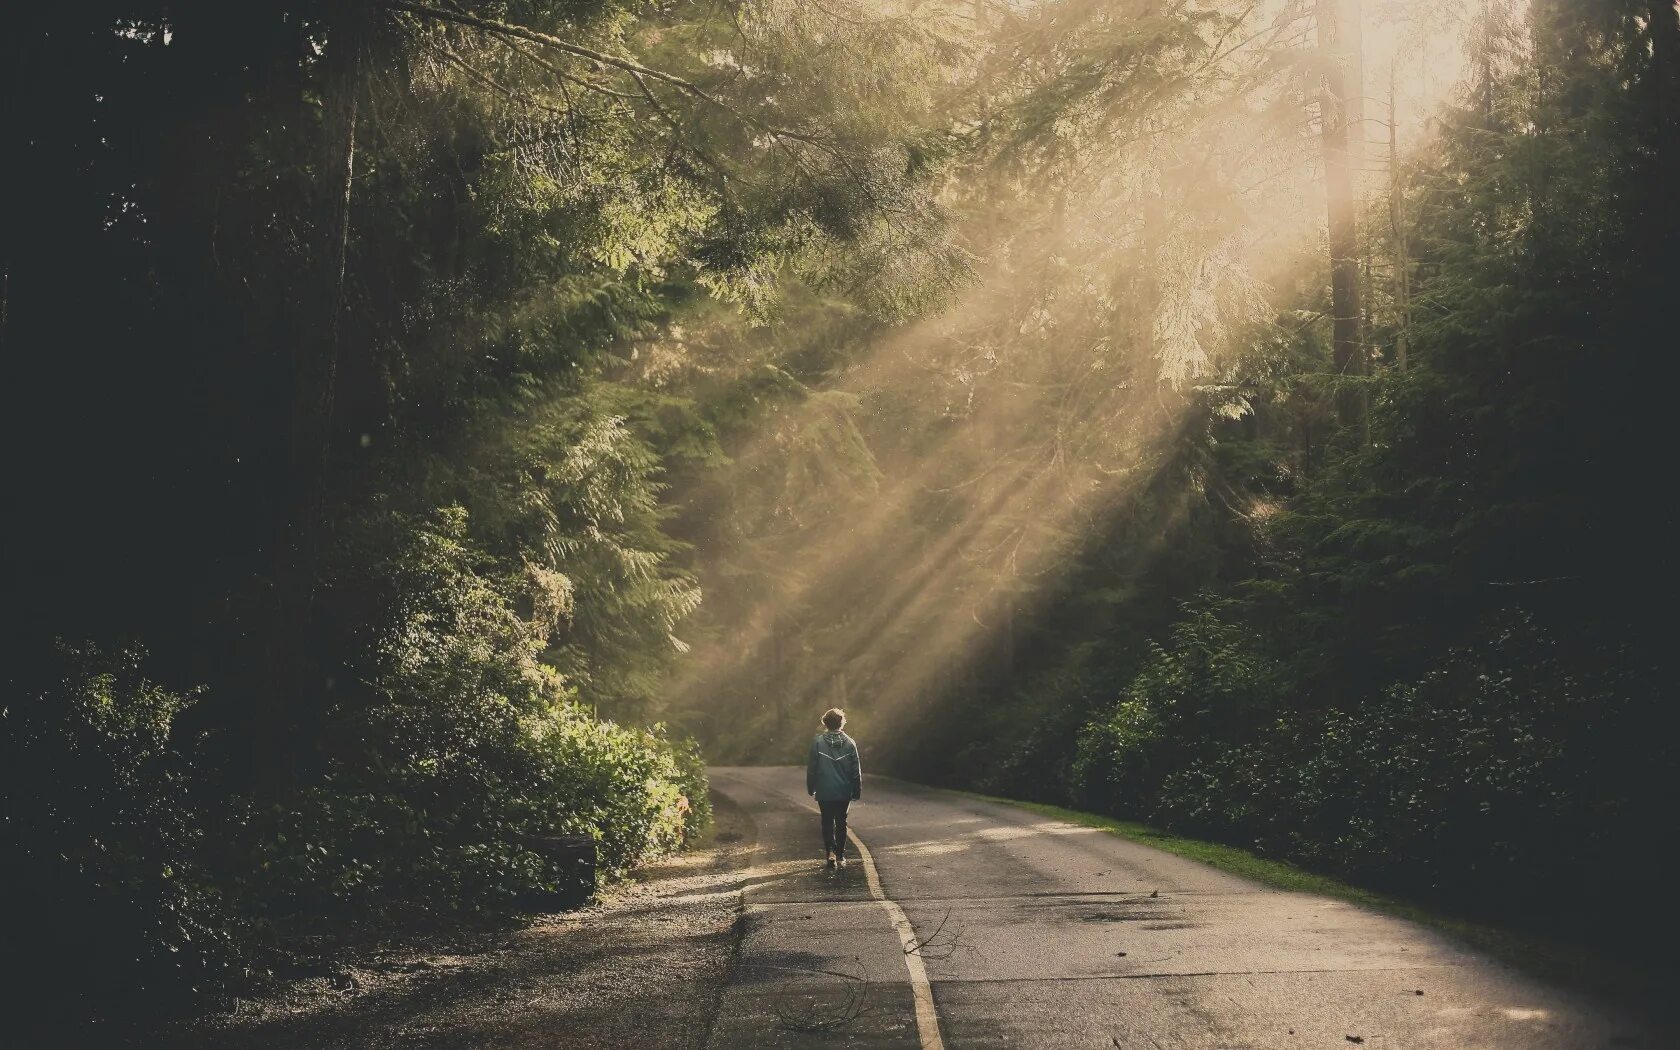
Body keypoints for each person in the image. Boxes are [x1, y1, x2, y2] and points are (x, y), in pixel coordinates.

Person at [806, 707, 861, 869]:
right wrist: (856, 791)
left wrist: (811, 787)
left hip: (824, 790)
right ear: (842, 723)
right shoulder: (850, 744)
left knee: (827, 821)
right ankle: (840, 855)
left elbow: (812, 769)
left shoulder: (817, 743)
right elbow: (855, 771)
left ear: (825, 723)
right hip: (844, 791)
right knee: (842, 821)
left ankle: (830, 852)